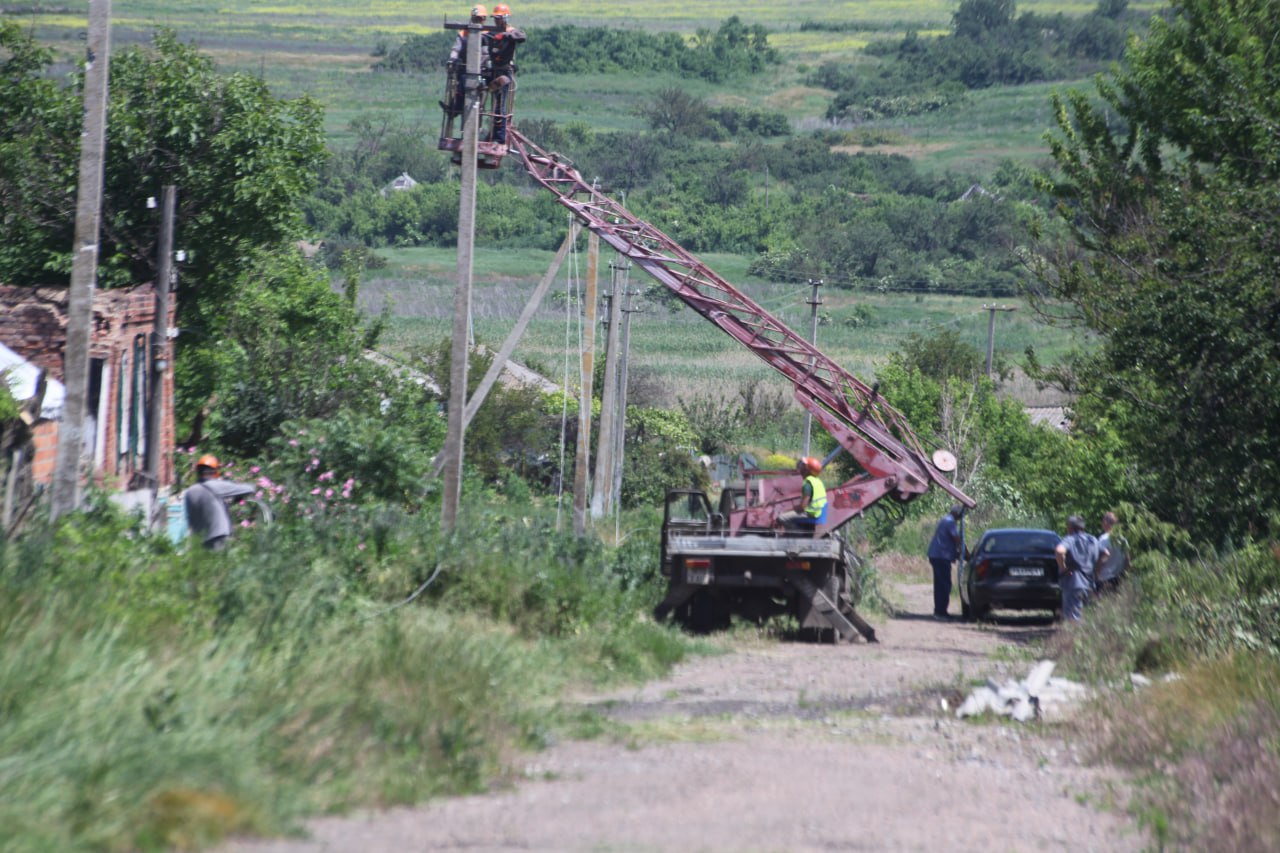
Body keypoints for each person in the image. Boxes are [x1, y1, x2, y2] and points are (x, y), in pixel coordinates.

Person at [183, 454, 254, 551]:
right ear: (214, 471)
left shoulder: (189, 492)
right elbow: (249, 489)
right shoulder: (217, 486)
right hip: (218, 537)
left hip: (199, 542)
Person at [486, 3, 525, 145]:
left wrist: (505, 35)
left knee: (500, 105)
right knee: (482, 97)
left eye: (499, 18)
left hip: (505, 72)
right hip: (493, 71)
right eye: (495, 18)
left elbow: (522, 36)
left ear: (505, 18)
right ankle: (485, 133)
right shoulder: (490, 32)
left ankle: (499, 137)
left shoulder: (511, 32)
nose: (496, 21)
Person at [444, 5, 489, 118]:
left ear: (484, 19)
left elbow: (486, 53)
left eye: (479, 18)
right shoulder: (464, 33)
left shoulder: (486, 34)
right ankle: (456, 108)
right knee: (462, 81)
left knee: (470, 83)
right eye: (475, 18)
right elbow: (456, 49)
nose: (477, 20)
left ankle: (458, 109)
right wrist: (452, 59)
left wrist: (481, 66)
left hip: (481, 70)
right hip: (465, 67)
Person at [1055, 514, 1099, 621]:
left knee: (1073, 619)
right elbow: (1104, 554)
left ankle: (1074, 637)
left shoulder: (1070, 539)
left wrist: (1063, 568)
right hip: (1089, 584)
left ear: (1070, 527)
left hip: (1073, 584)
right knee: (1087, 617)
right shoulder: (1093, 540)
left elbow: (1059, 551)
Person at [927, 504, 964, 620]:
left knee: (941, 584)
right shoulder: (950, 522)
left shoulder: (946, 520)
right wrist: (960, 549)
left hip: (938, 555)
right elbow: (956, 538)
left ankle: (940, 610)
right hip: (941, 556)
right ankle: (940, 611)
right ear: (957, 514)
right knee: (943, 584)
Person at [778, 456, 827, 531]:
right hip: (817, 512)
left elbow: (802, 507)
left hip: (811, 514)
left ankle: (796, 535)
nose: (800, 467)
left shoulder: (808, 484)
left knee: (781, 517)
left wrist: (786, 510)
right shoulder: (817, 481)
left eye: (803, 466)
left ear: (807, 470)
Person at [1094, 510, 1130, 594]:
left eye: (1103, 521)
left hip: (1104, 578)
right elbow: (1127, 560)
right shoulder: (1123, 539)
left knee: (1101, 605)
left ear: (1106, 522)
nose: (1102, 523)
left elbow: (1101, 559)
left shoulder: (1103, 539)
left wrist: (1095, 576)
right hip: (1119, 578)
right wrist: (1125, 575)